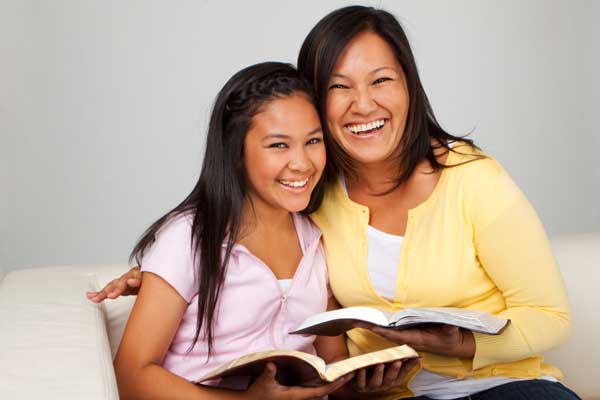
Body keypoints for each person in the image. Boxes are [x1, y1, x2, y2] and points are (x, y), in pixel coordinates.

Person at [90, 6, 580, 400]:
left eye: (381, 80)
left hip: (497, 385)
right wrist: (154, 276)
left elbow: (551, 316)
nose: (362, 104)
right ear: (318, 101)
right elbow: (228, 241)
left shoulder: (467, 179)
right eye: (339, 87)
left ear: (409, 85)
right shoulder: (315, 198)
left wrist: (464, 343)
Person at [111, 62, 366, 400]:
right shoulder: (188, 238)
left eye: (313, 141)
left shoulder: (317, 239)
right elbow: (131, 376)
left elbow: (333, 367)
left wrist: (371, 383)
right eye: (278, 145)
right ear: (236, 153)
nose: (302, 163)